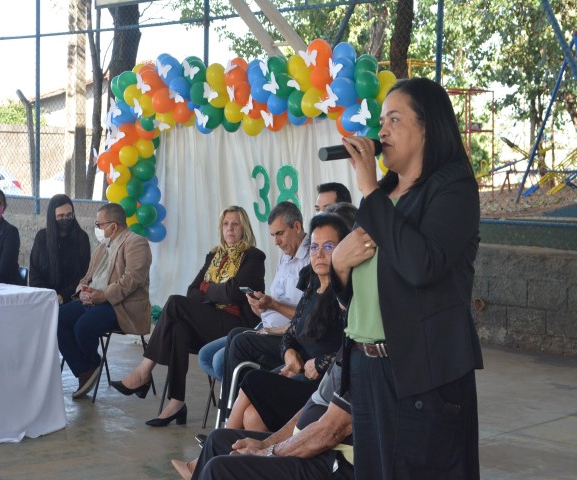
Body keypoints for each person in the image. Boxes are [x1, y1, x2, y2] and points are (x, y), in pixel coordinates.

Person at [331, 77, 483, 479]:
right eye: (381, 121)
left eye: (394, 120)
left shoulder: (454, 190)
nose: (381, 131)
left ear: (427, 127)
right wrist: (339, 268)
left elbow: (421, 266)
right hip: (367, 371)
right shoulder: (382, 195)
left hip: (421, 375)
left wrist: (366, 187)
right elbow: (358, 295)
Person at [111, 205, 266, 427]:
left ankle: (144, 371)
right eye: (225, 224)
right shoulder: (214, 255)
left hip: (235, 327)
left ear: (244, 228)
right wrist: (213, 290)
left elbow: (233, 292)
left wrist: (207, 289)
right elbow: (192, 291)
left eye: (235, 223)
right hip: (209, 321)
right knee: (178, 329)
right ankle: (176, 402)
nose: (229, 228)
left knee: (174, 302)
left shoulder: (253, 257)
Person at [225, 213, 351, 432]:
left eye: (329, 247)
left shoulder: (345, 296)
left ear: (343, 250)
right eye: (313, 247)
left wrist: (320, 363)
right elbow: (290, 334)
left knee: (253, 379)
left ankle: (217, 449)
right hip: (300, 374)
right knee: (252, 415)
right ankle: (240, 461)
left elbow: (353, 346)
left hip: (322, 386)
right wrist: (288, 353)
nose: (319, 254)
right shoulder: (312, 287)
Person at [171, 353, 353, 480]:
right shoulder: (348, 349)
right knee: (218, 439)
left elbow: (331, 430)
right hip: (315, 446)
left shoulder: (368, 360)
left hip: (337, 462)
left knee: (220, 469)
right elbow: (311, 407)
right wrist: (266, 444)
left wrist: (268, 452)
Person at [198, 201, 309, 384]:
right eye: (273, 235)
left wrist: (272, 305)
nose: (276, 242)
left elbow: (307, 315)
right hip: (263, 327)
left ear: (297, 226)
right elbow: (194, 290)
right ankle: (243, 393)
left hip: (285, 335)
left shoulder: (310, 258)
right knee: (206, 355)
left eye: (280, 234)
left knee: (221, 360)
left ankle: (246, 396)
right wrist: (261, 307)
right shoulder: (286, 254)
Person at [57, 202, 151, 399]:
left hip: (119, 305)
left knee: (83, 326)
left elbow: (132, 279)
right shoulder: (102, 248)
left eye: (99, 224)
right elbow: (86, 278)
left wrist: (104, 295)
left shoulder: (137, 243)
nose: (97, 229)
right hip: (92, 301)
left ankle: (90, 364)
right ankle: (85, 369)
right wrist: (81, 292)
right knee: (56, 318)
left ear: (113, 226)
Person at [30, 194, 91, 305]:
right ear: (52, 217)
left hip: (71, 299)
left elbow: (83, 275)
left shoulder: (81, 238)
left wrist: (63, 297)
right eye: (61, 216)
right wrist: (48, 296)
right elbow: (35, 273)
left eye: (69, 215)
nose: (66, 219)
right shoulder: (42, 237)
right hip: (43, 298)